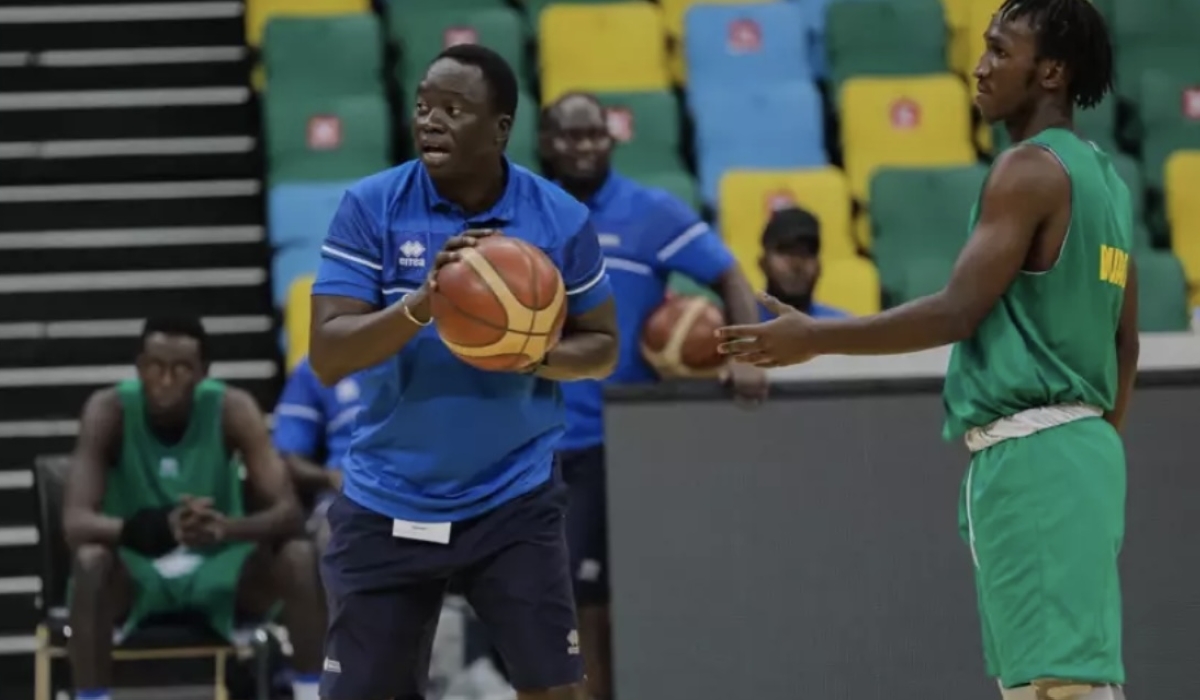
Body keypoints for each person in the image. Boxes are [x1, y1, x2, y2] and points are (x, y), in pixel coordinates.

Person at [717, 1, 1136, 698]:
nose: (980, 67)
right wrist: (1087, 459)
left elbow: (957, 310)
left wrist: (813, 337)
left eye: (1002, 52)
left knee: (1058, 689)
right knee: (1053, 684)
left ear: (1052, 72)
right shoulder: (1107, 179)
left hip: (1035, 456)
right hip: (1079, 456)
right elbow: (1126, 344)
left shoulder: (1026, 171)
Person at [308, 44, 617, 700]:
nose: (431, 121)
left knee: (557, 692)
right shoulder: (371, 207)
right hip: (389, 495)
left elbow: (603, 348)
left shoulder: (558, 219)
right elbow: (329, 354)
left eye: (453, 109)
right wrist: (423, 304)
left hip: (512, 495)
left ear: (501, 128)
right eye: (423, 107)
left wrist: (531, 351)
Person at [538, 91, 768, 700]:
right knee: (559, 603)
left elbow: (728, 274)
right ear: (545, 144)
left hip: (619, 443)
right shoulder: (525, 215)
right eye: (569, 135)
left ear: (612, 142)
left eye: (595, 135)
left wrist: (743, 353)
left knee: (611, 599)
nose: (584, 146)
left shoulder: (651, 212)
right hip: (535, 439)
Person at [62, 317, 326, 700]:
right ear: (138, 367)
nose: (166, 380)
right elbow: (75, 522)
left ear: (204, 373)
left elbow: (287, 513)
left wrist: (226, 529)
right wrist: (154, 529)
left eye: (181, 368)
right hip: (138, 570)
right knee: (89, 562)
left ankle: (312, 692)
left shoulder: (233, 408)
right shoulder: (109, 411)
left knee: (299, 556)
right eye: (155, 367)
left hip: (219, 566)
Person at [271, 356, 362, 552]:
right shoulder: (314, 367)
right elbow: (288, 457)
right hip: (347, 494)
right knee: (337, 532)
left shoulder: (431, 352)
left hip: (424, 490)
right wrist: (331, 477)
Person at [758, 206, 851, 322]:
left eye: (807, 253)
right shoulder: (739, 323)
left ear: (819, 266)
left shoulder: (839, 327)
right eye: (786, 252)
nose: (797, 264)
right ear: (763, 263)